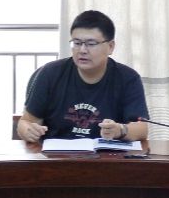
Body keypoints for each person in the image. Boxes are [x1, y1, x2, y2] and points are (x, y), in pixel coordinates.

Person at [17, 10, 149, 143]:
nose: (82, 50)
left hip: (106, 154)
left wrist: (120, 130)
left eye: (91, 44)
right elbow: (25, 122)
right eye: (77, 43)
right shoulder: (50, 74)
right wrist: (29, 131)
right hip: (57, 154)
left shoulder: (128, 78)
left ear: (110, 46)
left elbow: (141, 129)